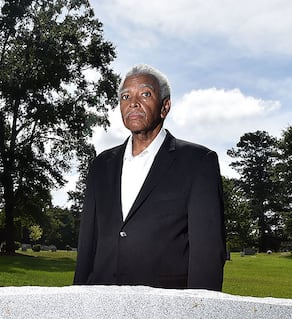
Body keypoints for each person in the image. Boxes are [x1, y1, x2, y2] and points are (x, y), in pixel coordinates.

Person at [74, 64, 226, 291]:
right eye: (126, 96)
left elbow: (207, 253)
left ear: (165, 106)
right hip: (101, 302)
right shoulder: (101, 165)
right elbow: (87, 243)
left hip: (164, 307)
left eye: (145, 94)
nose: (133, 103)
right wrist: (79, 297)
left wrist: (199, 316)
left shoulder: (198, 162)